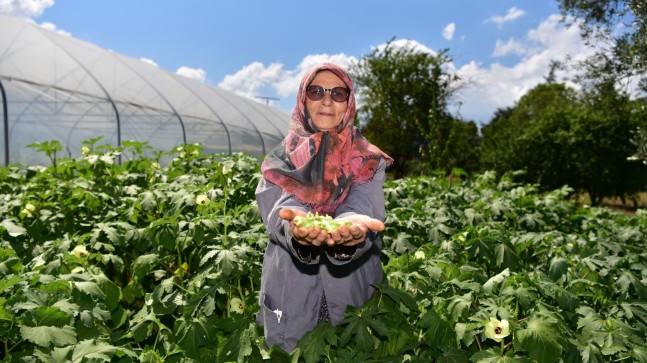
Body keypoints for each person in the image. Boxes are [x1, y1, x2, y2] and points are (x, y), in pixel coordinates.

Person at [255, 62, 393, 352]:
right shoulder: (281, 159)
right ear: (303, 99)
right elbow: (280, 208)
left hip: (351, 286)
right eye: (316, 91)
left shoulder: (367, 158)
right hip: (291, 284)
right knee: (294, 351)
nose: (327, 100)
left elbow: (362, 204)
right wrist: (297, 229)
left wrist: (350, 230)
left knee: (346, 352)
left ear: (349, 102)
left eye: (338, 93)